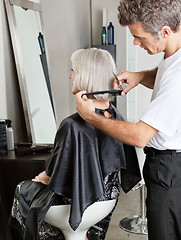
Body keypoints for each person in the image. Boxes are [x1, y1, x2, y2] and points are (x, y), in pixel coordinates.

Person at [9, 48, 141, 240]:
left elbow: (54, 176)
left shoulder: (71, 125)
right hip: (108, 200)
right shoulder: (115, 115)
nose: (71, 75)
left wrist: (44, 176)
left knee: (22, 189)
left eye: (74, 70)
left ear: (87, 77)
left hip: (83, 202)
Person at [75, 1, 181, 240]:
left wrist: (89, 116)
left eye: (139, 37)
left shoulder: (178, 77)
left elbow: (139, 136)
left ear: (164, 31)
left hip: (170, 170)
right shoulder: (173, 54)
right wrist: (141, 76)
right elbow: (163, 75)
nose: (135, 42)